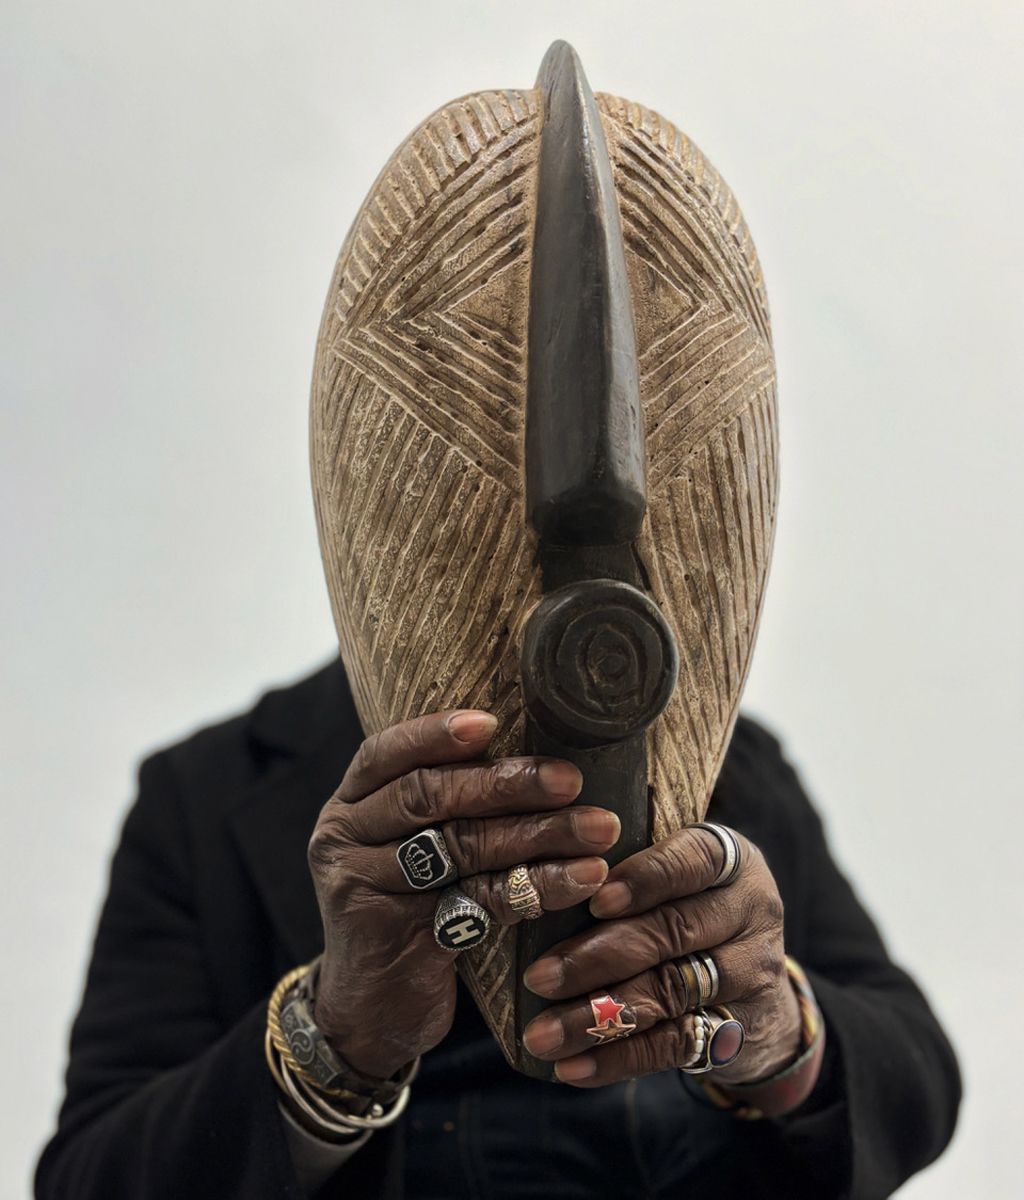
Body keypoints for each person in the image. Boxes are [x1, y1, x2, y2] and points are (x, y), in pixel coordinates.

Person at [35, 658, 960, 1199]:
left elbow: (913, 1073)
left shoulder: (738, 758)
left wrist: (780, 1031)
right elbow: (93, 1174)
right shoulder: (204, 790)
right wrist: (338, 1035)